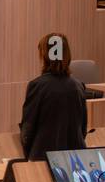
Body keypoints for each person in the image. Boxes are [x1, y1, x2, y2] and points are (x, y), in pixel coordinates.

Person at [19, 33, 87, 161]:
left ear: (44, 56)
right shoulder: (78, 86)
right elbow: (83, 128)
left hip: (44, 157)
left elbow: (28, 129)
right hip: (75, 157)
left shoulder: (37, 86)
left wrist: (30, 156)